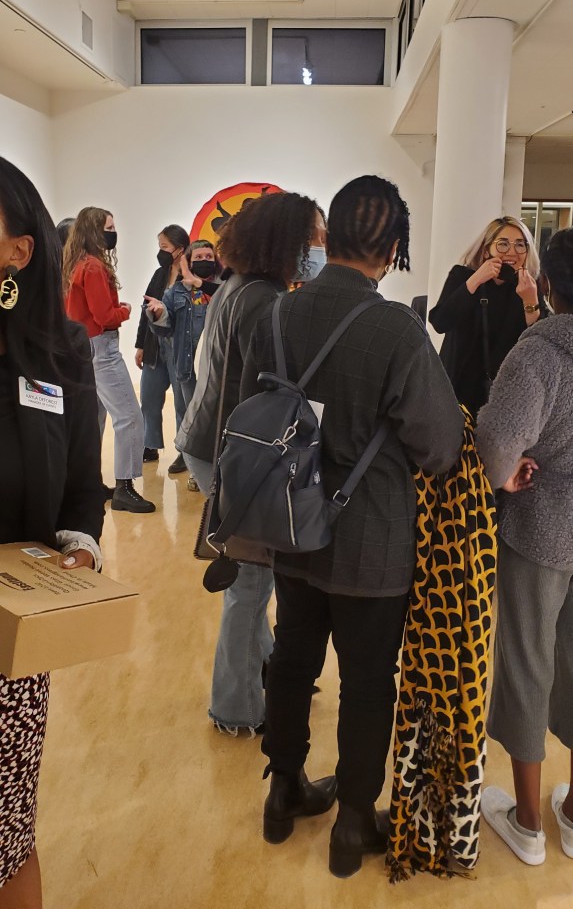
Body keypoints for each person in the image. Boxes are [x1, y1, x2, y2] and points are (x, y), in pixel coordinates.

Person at [240, 175, 464, 877]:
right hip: (372, 542)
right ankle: (353, 826)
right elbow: (439, 447)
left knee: (292, 658)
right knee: (367, 682)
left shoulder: (275, 314)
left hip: (288, 523)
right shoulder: (397, 329)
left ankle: (282, 791)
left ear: (327, 237)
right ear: (392, 250)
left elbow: (250, 416)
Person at [177, 192, 326, 735]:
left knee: (252, 578)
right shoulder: (266, 301)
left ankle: (263, 667)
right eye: (315, 237)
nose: (321, 247)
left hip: (205, 440)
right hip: (230, 451)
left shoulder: (239, 286)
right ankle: (235, 708)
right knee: (250, 585)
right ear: (288, 241)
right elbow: (258, 400)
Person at [0, 157, 105, 908]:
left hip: (11, 640)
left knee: (6, 838)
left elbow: (80, 487)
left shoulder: (59, 353)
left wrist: (80, 547)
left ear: (18, 250)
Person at [476, 228, 573, 868]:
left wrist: (506, 474)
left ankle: (530, 822)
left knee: (528, 660)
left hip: (543, 526)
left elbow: (495, 442)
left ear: (552, 284)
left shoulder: (540, 352)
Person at [63, 207, 155, 513]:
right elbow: (105, 316)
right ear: (93, 230)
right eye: (109, 228)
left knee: (95, 418)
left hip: (83, 347)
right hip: (102, 348)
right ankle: (124, 488)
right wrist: (126, 310)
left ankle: (88, 482)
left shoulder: (75, 263)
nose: (113, 233)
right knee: (130, 416)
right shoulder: (93, 267)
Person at [428, 216, 543, 417]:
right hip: (457, 387)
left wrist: (530, 301)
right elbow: (440, 322)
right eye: (503, 244)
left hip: (505, 392)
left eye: (520, 245)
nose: (512, 252)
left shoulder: (529, 286)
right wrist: (475, 280)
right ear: (486, 249)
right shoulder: (462, 276)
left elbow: (539, 344)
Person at [145, 238, 221, 491]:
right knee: (192, 418)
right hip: (187, 370)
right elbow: (165, 328)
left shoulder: (224, 288)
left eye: (208, 257)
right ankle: (197, 471)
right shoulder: (176, 292)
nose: (204, 261)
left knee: (218, 420)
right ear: (188, 261)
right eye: (198, 257)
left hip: (218, 370)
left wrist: (199, 284)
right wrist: (158, 313)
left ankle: (220, 471)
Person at [135, 224, 189, 473]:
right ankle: (150, 444)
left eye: (164, 247)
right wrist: (140, 345)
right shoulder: (159, 274)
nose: (161, 252)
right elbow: (145, 309)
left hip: (179, 347)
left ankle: (184, 451)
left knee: (182, 403)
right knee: (149, 397)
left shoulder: (191, 276)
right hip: (155, 346)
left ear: (180, 249)